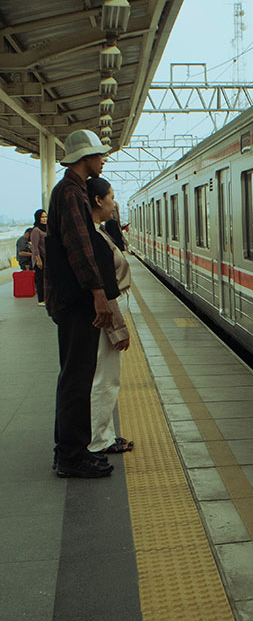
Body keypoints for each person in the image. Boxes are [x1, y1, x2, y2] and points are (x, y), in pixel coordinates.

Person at [44, 129, 120, 479]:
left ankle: (70, 451)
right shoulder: (71, 194)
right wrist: (98, 293)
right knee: (77, 378)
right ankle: (72, 455)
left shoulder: (67, 191)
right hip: (77, 302)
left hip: (71, 300)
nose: (103, 158)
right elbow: (80, 249)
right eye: (99, 154)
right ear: (84, 157)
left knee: (74, 375)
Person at [85, 177, 134, 455]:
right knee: (106, 378)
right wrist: (119, 330)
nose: (114, 203)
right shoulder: (95, 237)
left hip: (110, 310)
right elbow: (106, 287)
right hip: (110, 313)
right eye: (111, 197)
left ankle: (103, 434)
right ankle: (99, 439)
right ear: (98, 201)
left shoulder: (97, 232)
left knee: (103, 376)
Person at [31, 209, 47, 305]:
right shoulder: (36, 231)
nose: (44, 219)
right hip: (40, 258)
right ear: (38, 218)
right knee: (40, 279)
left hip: (46, 257)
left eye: (45, 217)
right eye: (42, 217)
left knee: (47, 279)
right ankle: (41, 299)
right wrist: (38, 260)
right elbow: (35, 246)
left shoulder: (46, 229)